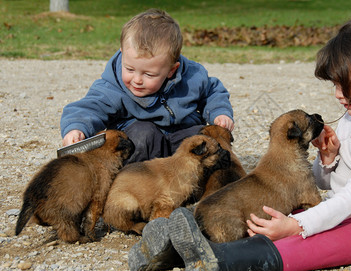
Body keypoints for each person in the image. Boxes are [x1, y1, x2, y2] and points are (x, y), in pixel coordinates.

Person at [129, 15, 351, 271]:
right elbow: (321, 182)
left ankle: (222, 265)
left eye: (344, 85)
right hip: (346, 213)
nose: (336, 94)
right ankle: (175, 250)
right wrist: (330, 160)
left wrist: (296, 225)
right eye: (334, 85)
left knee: (302, 242)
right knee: (269, 220)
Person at [60, 9, 234, 163]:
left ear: (172, 70)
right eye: (129, 69)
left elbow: (213, 91)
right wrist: (76, 128)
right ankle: (135, 184)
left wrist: (219, 113)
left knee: (209, 138)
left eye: (149, 74)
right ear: (122, 53)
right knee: (144, 133)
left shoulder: (193, 76)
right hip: (141, 147)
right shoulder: (112, 86)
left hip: (179, 139)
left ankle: (199, 183)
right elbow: (90, 107)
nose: (136, 80)